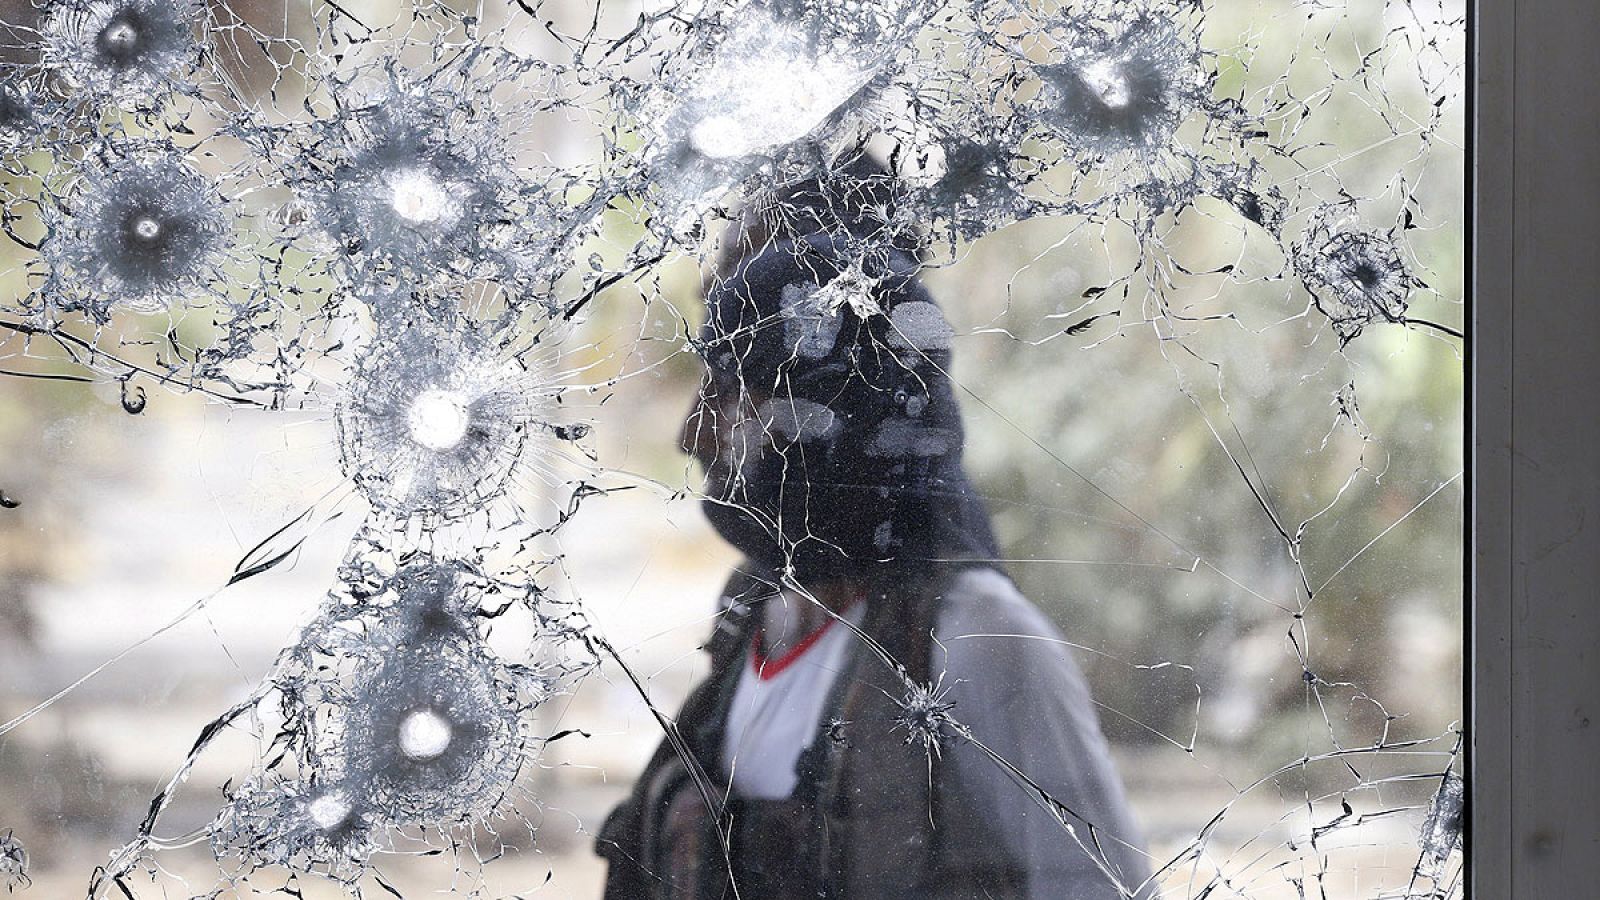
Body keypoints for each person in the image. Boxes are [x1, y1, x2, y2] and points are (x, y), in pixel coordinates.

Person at [596, 157, 1156, 899]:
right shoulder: (755, 620)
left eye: (735, 395)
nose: (694, 434)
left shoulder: (971, 639)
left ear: (828, 416)